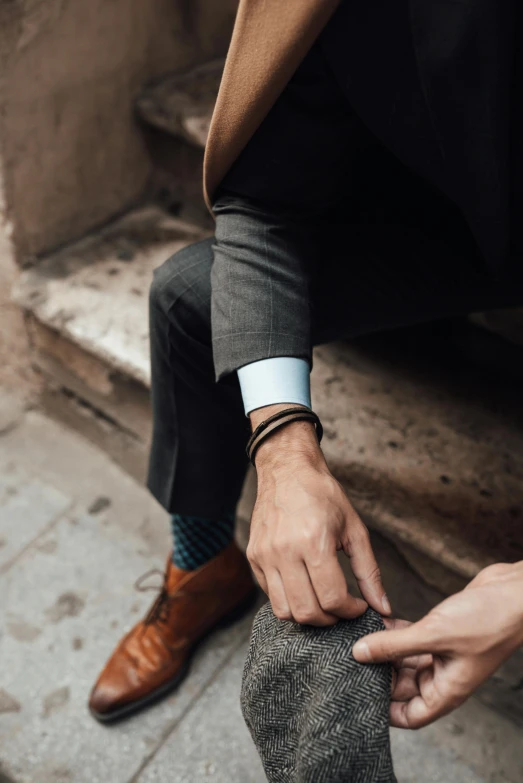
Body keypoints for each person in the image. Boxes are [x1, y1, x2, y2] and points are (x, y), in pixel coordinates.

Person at [89, 0, 523, 727]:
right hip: (452, 217)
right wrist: (282, 444)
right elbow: (264, 202)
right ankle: (201, 567)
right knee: (188, 293)